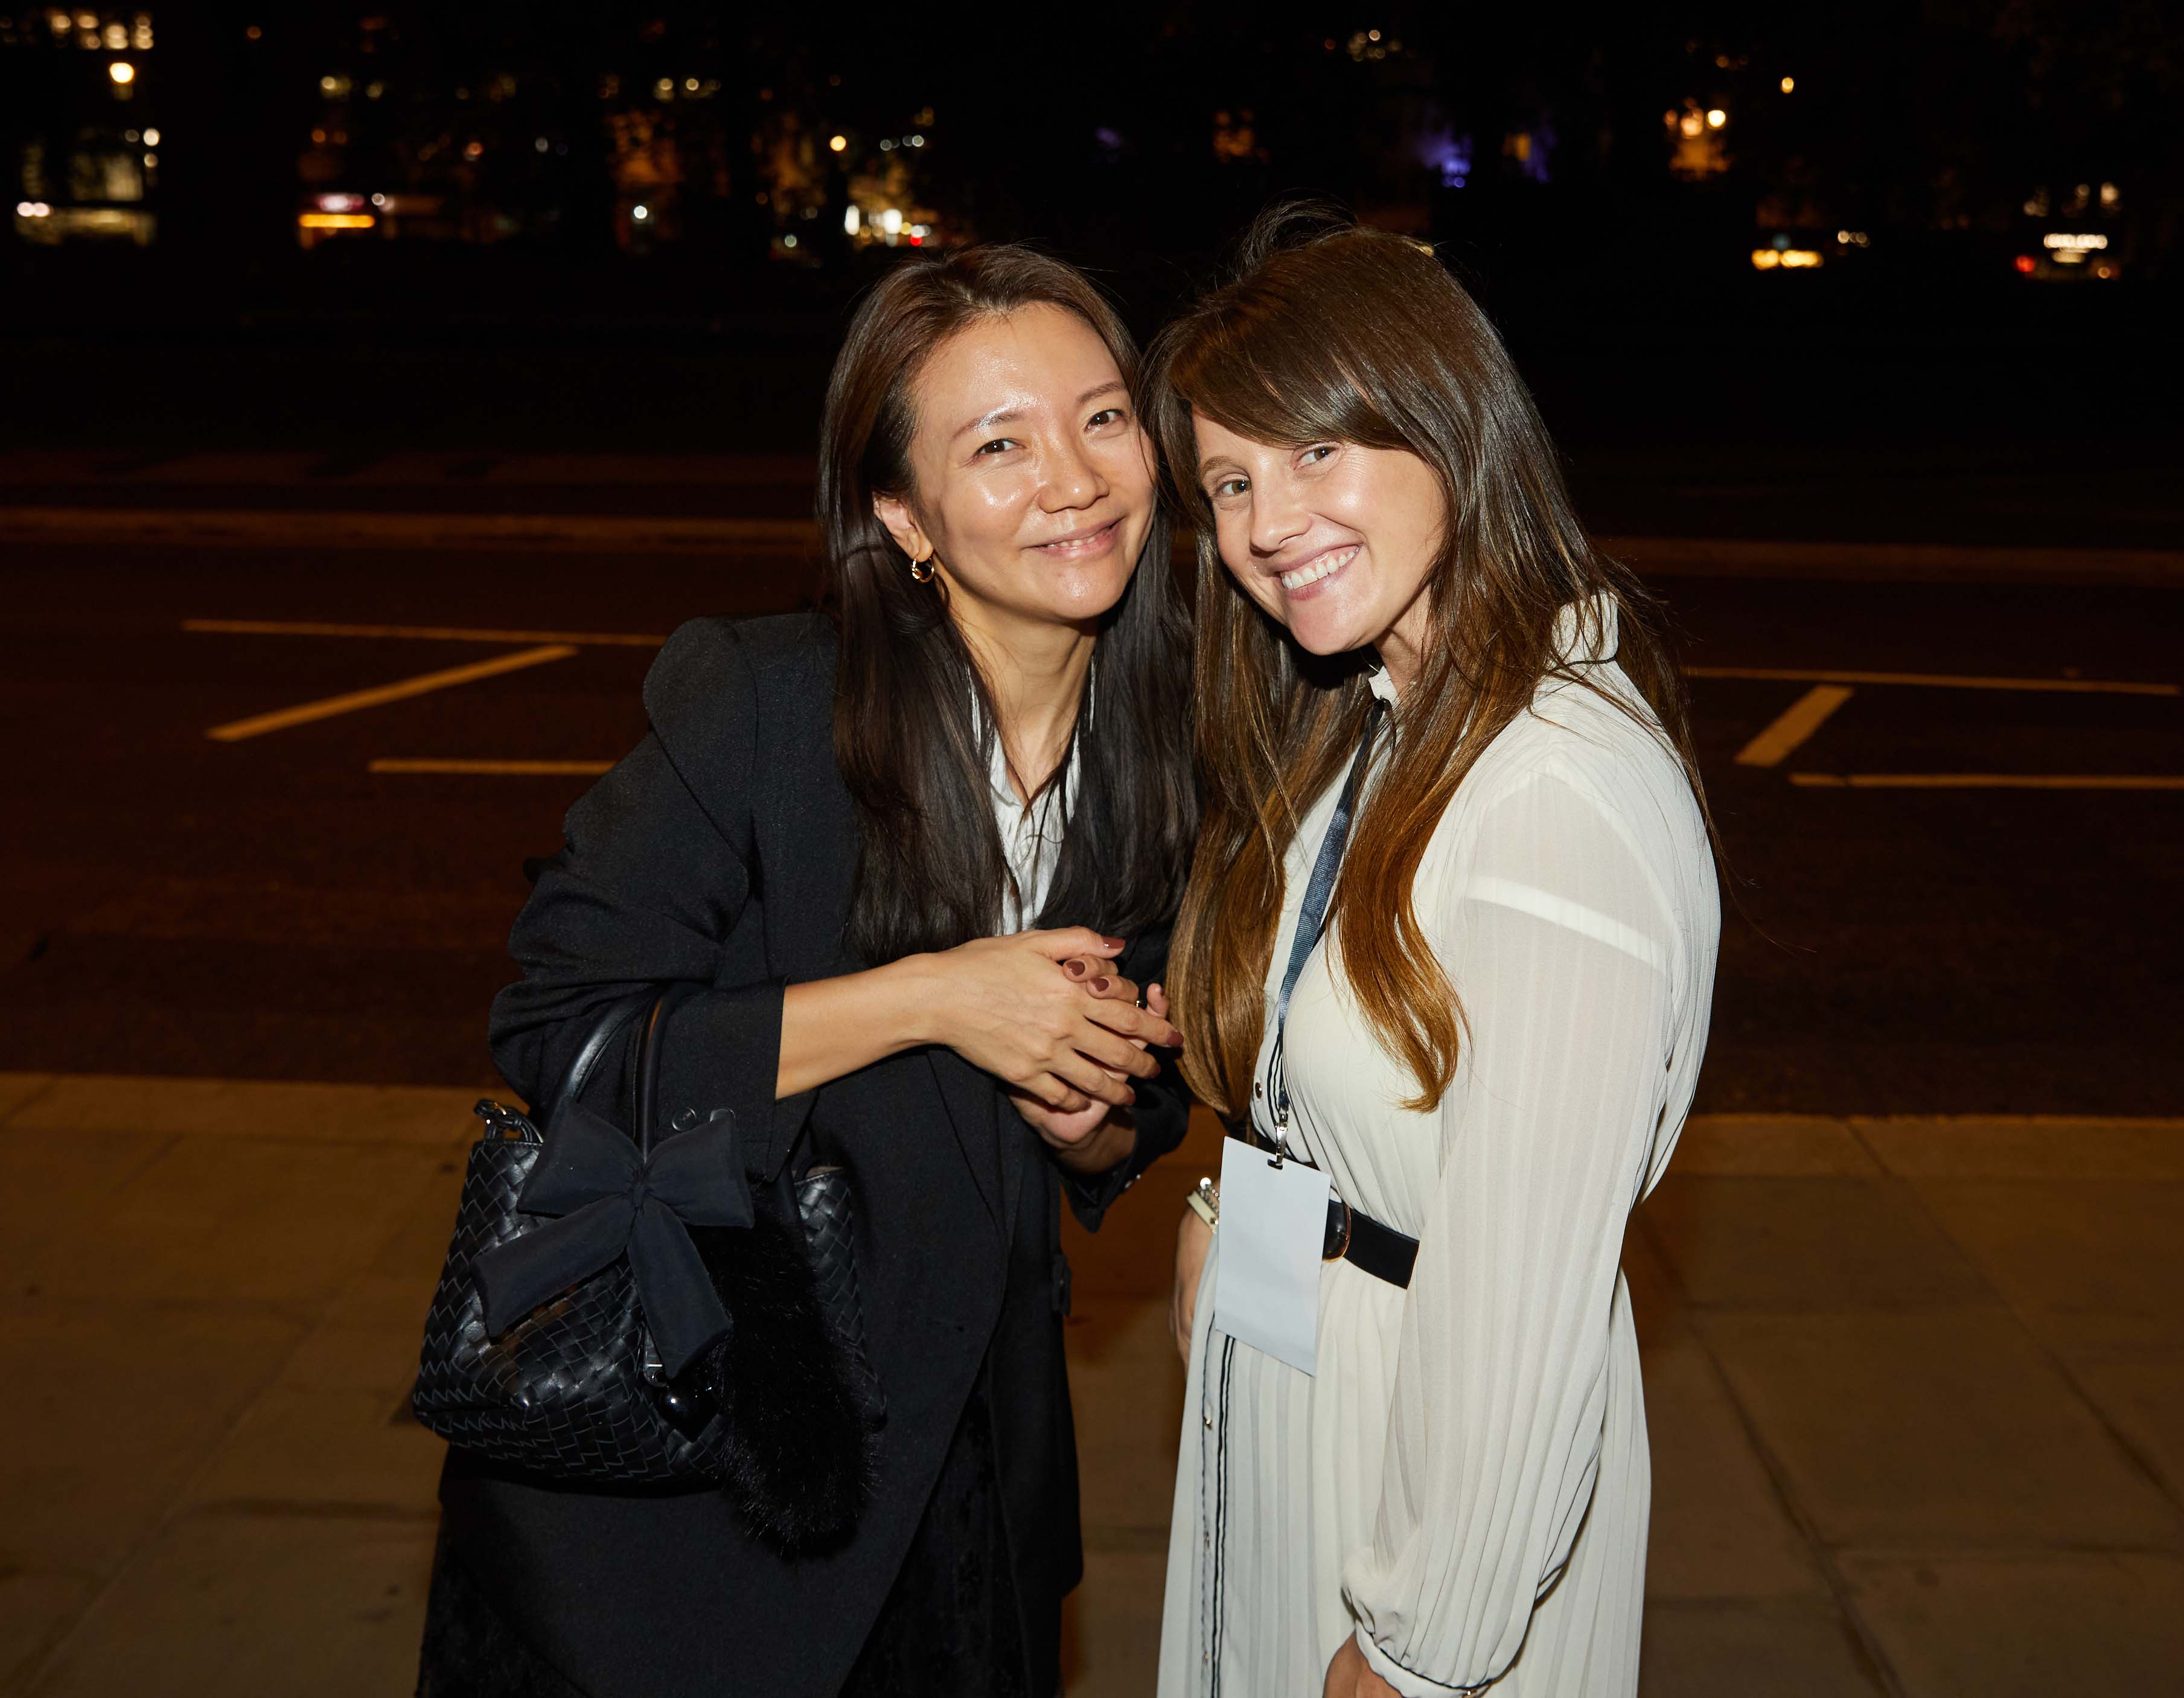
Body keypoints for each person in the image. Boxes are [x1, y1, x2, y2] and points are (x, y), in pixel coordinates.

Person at [417, 244, 1196, 1698]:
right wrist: (937, 997)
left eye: (1103, 417)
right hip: (700, 1473)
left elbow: (1143, 1090)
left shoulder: (1167, 741)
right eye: (999, 445)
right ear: (904, 514)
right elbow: (564, 1034)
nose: (1076, 480)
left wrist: (1094, 1118)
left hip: (966, 1486)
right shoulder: (768, 704)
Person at [1149, 209, 1720, 1697]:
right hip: (1311, 1383)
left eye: (1315, 451)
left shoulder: (1549, 797)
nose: (1269, 524)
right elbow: (1344, 1077)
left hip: (1418, 1474)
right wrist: (1236, 1207)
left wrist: (1422, 1649)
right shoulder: (1385, 716)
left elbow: (1523, 1304)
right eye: (1231, 481)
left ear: (1451, 427)